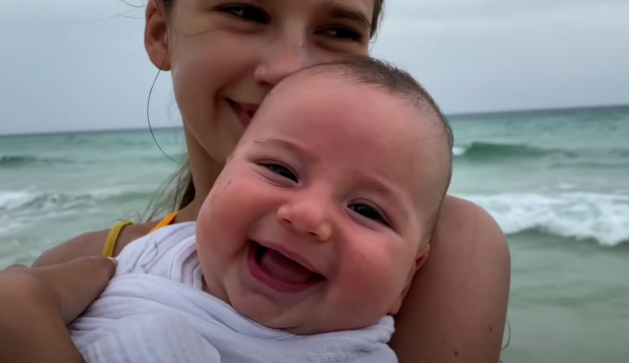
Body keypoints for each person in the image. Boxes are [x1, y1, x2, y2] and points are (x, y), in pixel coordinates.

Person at [0, 0, 511, 362]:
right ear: (160, 33)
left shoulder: (445, 245)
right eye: (246, 12)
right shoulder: (85, 266)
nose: (289, 67)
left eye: (337, 30)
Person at [69, 56, 454, 363]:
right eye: (280, 170)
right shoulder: (150, 255)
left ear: (406, 279)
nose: (307, 216)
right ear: (225, 171)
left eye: (367, 211)